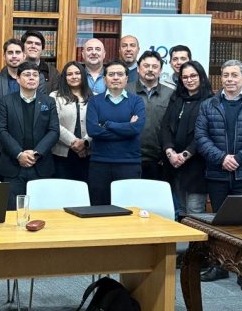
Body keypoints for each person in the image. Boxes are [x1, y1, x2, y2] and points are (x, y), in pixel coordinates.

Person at [195, 59, 242, 291]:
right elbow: (201, 138)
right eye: (225, 75)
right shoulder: (208, 105)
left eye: (234, 75)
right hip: (217, 174)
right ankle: (219, 265)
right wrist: (221, 158)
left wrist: (238, 158)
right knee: (220, 222)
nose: (229, 79)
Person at [0, 61, 59, 208]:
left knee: (41, 211)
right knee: (13, 211)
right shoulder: (6, 101)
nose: (31, 78)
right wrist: (19, 154)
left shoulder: (49, 101)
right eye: (27, 75)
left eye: (35, 75)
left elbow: (54, 131)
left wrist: (36, 153)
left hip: (40, 164)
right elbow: (1, 130)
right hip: (13, 165)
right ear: (18, 79)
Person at [86, 60, 146, 205]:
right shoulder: (94, 101)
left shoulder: (137, 101)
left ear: (126, 78)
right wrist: (126, 128)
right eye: (111, 74)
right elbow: (93, 130)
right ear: (104, 79)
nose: (115, 78)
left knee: (128, 209)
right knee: (99, 209)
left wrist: (108, 125)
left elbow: (136, 129)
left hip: (129, 163)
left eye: (120, 74)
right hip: (100, 163)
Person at [160, 60, 213, 218]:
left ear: (201, 77)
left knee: (195, 212)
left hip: (196, 166)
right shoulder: (177, 98)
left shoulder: (210, 101)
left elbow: (206, 132)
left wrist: (184, 155)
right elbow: (165, 127)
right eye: (185, 77)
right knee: (180, 212)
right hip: (174, 165)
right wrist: (170, 152)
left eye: (193, 76)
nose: (189, 80)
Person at [128, 50, 172, 181]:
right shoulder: (125, 91)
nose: (150, 69)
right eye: (146, 66)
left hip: (159, 160)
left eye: (155, 66)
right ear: (138, 68)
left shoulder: (171, 94)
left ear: (161, 70)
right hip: (129, 157)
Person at [0, 38, 26, 181]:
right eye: (10, 53)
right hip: (2, 145)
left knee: (27, 188)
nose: (14, 56)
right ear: (4, 56)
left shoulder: (35, 79)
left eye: (18, 52)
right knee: (2, 188)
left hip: (28, 146)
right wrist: (5, 135)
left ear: (24, 55)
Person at [49, 61, 91, 182]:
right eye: (70, 74)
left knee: (85, 190)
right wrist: (74, 143)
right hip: (61, 154)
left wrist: (85, 142)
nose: (74, 76)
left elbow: (98, 124)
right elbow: (53, 123)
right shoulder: (55, 96)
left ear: (83, 75)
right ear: (64, 77)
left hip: (88, 153)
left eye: (77, 73)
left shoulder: (94, 97)